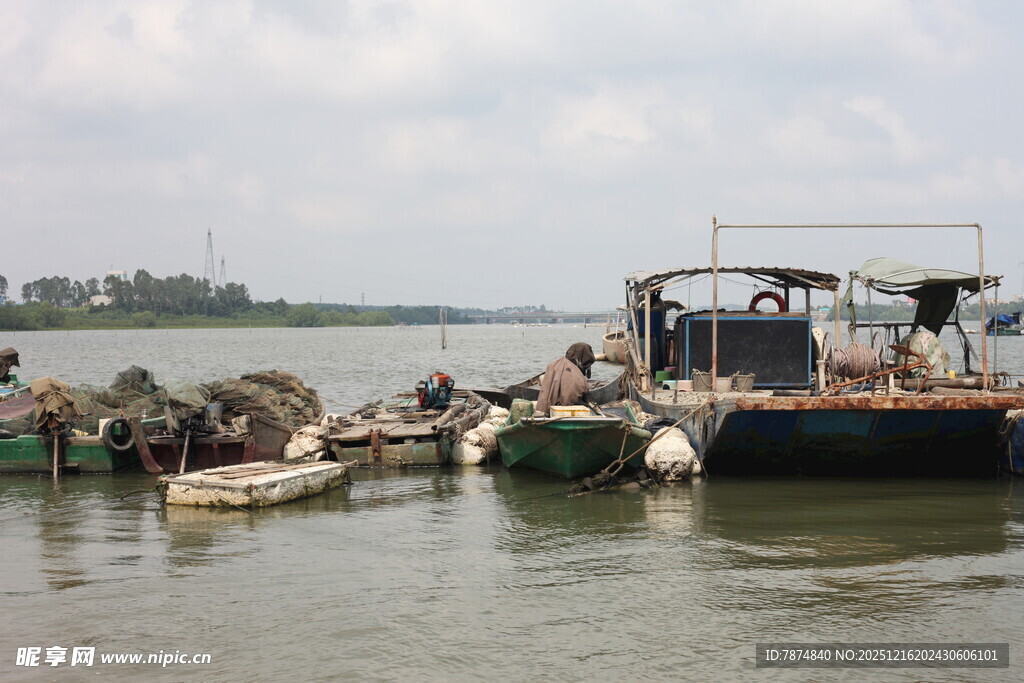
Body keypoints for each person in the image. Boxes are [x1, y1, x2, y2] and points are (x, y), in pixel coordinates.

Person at [535, 343, 594, 414]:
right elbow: (570, 400)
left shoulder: (554, 364)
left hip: (544, 409)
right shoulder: (576, 376)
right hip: (564, 410)